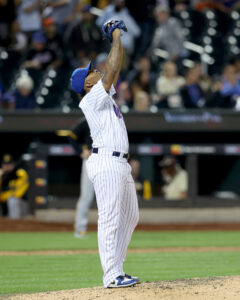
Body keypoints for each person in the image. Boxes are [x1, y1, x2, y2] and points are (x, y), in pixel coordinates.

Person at [70, 20, 139, 288]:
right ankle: (110, 275)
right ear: (86, 84)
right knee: (109, 218)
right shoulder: (91, 99)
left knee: (131, 217)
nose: (95, 70)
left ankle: (117, 269)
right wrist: (116, 36)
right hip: (106, 161)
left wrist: (117, 39)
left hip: (119, 164)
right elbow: (110, 69)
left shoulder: (105, 94)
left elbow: (115, 67)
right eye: (90, 72)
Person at [67, 118, 95, 238]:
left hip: (106, 159)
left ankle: (114, 231)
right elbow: (71, 136)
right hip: (90, 159)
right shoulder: (87, 120)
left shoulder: (109, 118)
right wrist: (81, 151)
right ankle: (80, 229)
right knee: (87, 196)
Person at [0, 154, 29, 218]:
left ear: (13, 164)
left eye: (9, 164)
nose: (7, 166)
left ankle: (14, 220)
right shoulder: (1, 174)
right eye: (5, 164)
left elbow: (19, 192)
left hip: (20, 202)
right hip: (4, 201)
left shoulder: (20, 173)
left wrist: (8, 194)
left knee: (12, 200)